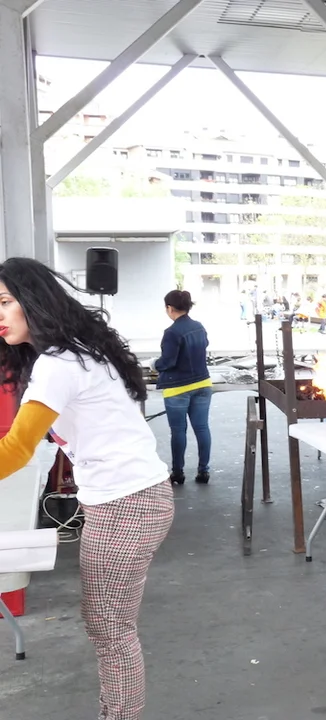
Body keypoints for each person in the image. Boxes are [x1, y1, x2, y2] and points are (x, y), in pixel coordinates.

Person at [0, 257, 174, 720]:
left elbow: (15, 449)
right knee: (108, 627)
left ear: (33, 301)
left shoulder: (58, 364)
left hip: (127, 504)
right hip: (129, 499)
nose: (0, 315)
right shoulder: (78, 352)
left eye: (5, 301)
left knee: (110, 629)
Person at [155, 289, 212, 485]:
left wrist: (154, 364)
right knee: (202, 428)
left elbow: (168, 361)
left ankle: (178, 473)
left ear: (170, 308)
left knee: (179, 431)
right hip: (203, 384)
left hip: (177, 388)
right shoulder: (199, 327)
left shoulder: (171, 332)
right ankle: (203, 471)